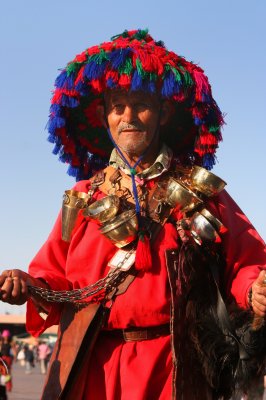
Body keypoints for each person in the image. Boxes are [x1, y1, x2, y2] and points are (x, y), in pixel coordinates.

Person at [0, 29, 265, 400]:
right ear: (104, 115)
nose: (128, 117)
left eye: (140, 104)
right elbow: (53, 275)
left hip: (176, 369)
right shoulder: (81, 197)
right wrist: (26, 284)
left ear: (163, 112)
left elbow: (246, 262)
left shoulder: (200, 191)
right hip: (95, 369)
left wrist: (256, 290)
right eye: (117, 105)